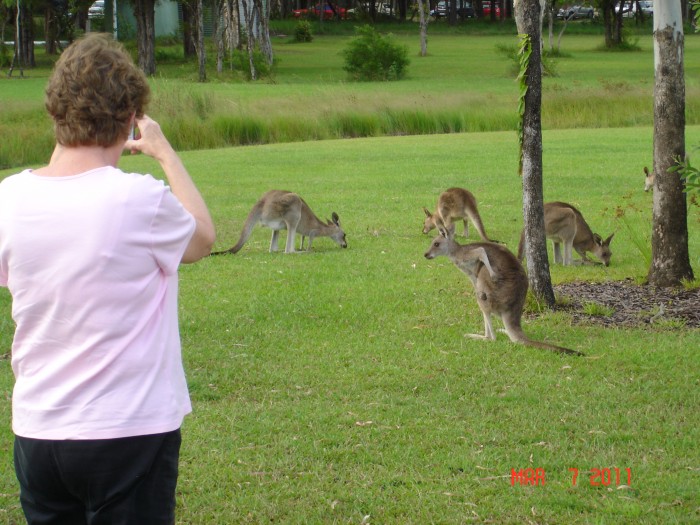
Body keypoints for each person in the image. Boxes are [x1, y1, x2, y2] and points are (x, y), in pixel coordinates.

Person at [0, 33, 216, 524]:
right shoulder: (139, 200)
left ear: (55, 111)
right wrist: (164, 153)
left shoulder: (8, 198)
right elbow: (202, 238)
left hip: (37, 432)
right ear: (129, 118)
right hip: (128, 431)